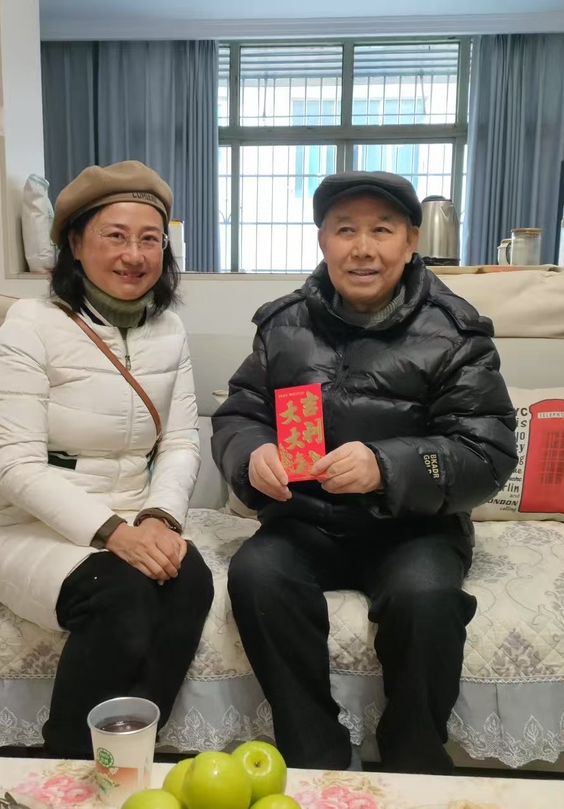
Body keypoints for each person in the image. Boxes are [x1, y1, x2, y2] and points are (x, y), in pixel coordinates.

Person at [211, 170, 519, 775]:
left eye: (381, 230)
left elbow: (487, 453)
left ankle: (413, 760)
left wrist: (385, 466)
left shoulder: (457, 332)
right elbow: (240, 415)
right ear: (322, 240)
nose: (362, 248)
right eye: (345, 230)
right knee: (256, 575)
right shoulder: (283, 325)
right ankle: (313, 758)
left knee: (425, 598)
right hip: (306, 520)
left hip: (414, 526)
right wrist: (252, 454)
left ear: (410, 242)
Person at [0, 160, 214, 759]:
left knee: (190, 579)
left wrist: (159, 519)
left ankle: (128, 755)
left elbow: (181, 441)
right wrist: (114, 535)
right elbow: (18, 467)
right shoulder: (30, 325)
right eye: (115, 236)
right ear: (75, 244)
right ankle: (67, 759)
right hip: (26, 524)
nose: (134, 255)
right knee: (119, 591)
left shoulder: (170, 330)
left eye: (149, 239)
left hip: (132, 514)